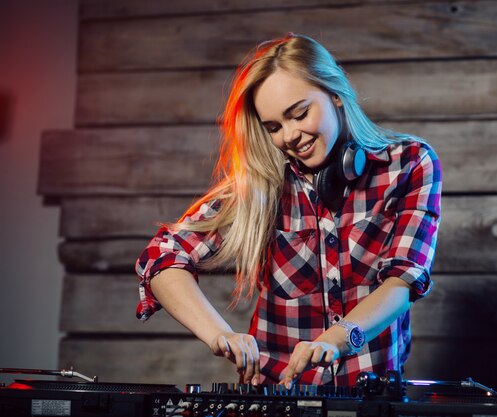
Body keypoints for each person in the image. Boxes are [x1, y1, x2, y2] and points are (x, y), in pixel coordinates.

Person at [135, 33, 441, 388]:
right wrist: (220, 335)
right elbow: (161, 256)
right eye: (274, 127)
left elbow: (402, 281)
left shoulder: (410, 164)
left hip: (370, 392)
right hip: (279, 395)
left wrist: (337, 338)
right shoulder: (264, 186)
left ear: (336, 94)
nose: (291, 136)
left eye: (299, 114)